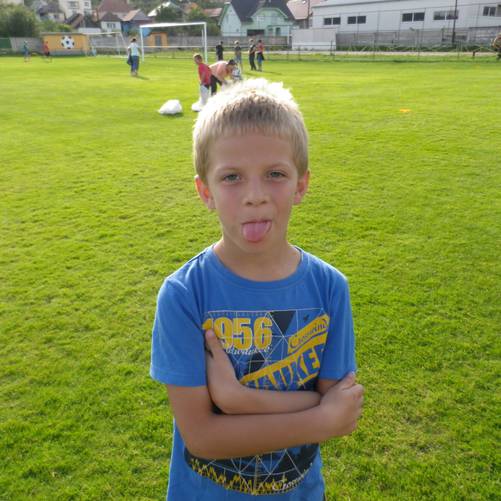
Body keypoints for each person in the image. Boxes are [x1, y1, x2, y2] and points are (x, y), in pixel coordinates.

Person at [150, 78, 364, 500]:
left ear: (301, 184)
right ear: (205, 191)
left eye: (275, 174)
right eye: (232, 177)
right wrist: (321, 418)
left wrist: (237, 399)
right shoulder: (184, 295)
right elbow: (202, 438)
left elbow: (341, 404)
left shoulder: (329, 288)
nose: (254, 196)